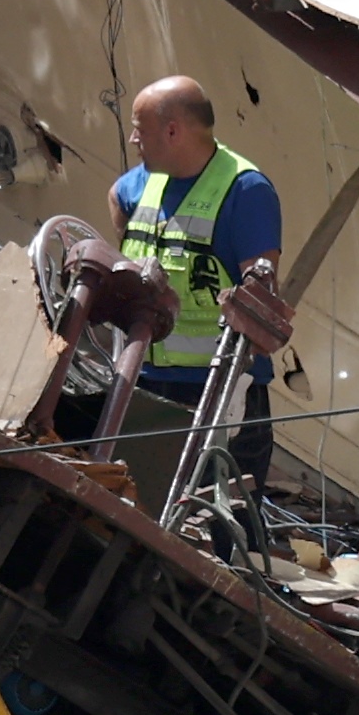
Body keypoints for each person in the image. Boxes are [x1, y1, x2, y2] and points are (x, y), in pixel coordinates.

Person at [108, 73, 293, 493]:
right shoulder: (145, 179)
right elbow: (117, 199)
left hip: (219, 394)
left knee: (220, 523)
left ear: (172, 131)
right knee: (141, 508)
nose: (134, 141)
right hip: (147, 385)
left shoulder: (245, 191)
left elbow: (261, 301)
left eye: (140, 130)